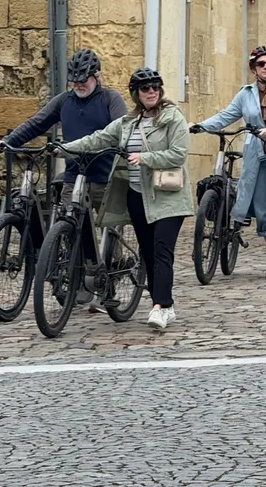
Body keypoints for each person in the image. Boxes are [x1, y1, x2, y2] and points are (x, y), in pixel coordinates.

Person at [64, 67, 193, 331]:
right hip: (137, 195)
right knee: (147, 251)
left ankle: (161, 306)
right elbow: (98, 139)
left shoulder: (172, 118)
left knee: (161, 250)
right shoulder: (127, 123)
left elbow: (178, 154)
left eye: (155, 87)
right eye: (145, 88)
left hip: (168, 196)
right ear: (136, 93)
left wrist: (145, 158)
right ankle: (163, 304)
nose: (151, 92)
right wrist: (65, 148)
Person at [193, 46, 266, 279]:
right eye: (261, 64)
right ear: (253, 68)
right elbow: (226, 115)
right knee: (263, 210)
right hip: (257, 157)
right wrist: (201, 126)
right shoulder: (245, 94)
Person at [0, 48, 126, 212]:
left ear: (96, 76)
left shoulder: (110, 99)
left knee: (109, 232)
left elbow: (121, 131)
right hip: (73, 176)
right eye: (74, 81)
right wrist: (8, 141)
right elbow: (37, 123)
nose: (78, 85)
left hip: (104, 179)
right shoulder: (64, 100)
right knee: (68, 227)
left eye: (83, 81)